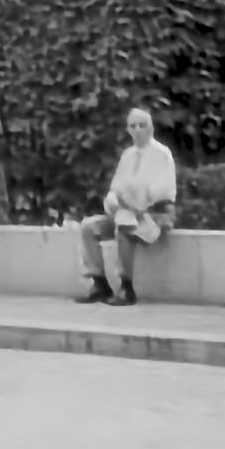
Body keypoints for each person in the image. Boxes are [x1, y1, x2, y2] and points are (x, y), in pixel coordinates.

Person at [77, 107, 178, 307]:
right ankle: (99, 283)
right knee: (89, 227)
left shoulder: (162, 155)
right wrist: (113, 203)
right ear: (128, 130)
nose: (138, 130)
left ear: (151, 127)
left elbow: (161, 193)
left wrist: (134, 204)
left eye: (142, 125)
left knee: (124, 228)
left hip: (152, 216)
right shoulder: (127, 156)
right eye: (133, 126)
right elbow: (115, 189)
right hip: (125, 212)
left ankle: (126, 287)